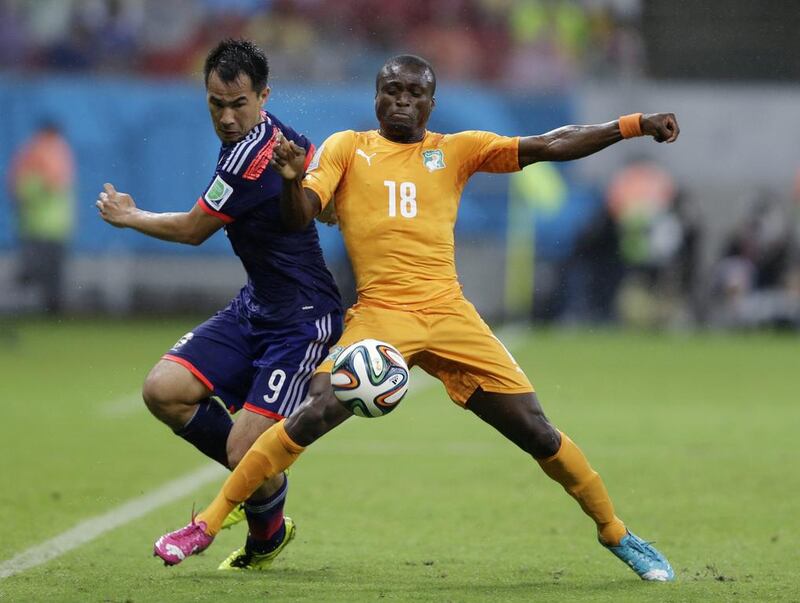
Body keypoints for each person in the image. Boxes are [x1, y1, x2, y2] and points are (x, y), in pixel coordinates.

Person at [154, 54, 679, 582]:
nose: (401, 100)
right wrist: (292, 179)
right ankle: (207, 523)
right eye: (391, 90)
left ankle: (616, 532)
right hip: (379, 317)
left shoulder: (457, 150)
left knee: (538, 433)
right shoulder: (346, 149)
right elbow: (299, 217)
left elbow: (549, 144)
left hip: (451, 315)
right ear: (375, 97)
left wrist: (631, 126)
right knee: (313, 411)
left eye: (414, 92)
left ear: (432, 102)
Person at [96, 39, 342, 570]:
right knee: (164, 391)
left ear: (263, 96)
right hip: (256, 306)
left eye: (238, 105)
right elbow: (316, 190)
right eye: (215, 104)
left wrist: (130, 216)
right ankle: (265, 479)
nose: (227, 117)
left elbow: (192, 231)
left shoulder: (251, 161)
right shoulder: (278, 138)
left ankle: (263, 518)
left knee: (240, 452)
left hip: (300, 322)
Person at [8, 120, 76, 314]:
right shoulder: (49, 153)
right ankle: (44, 311)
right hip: (48, 225)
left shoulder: (37, 153)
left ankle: (43, 311)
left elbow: (21, 189)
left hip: (42, 225)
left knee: (41, 273)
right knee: (39, 273)